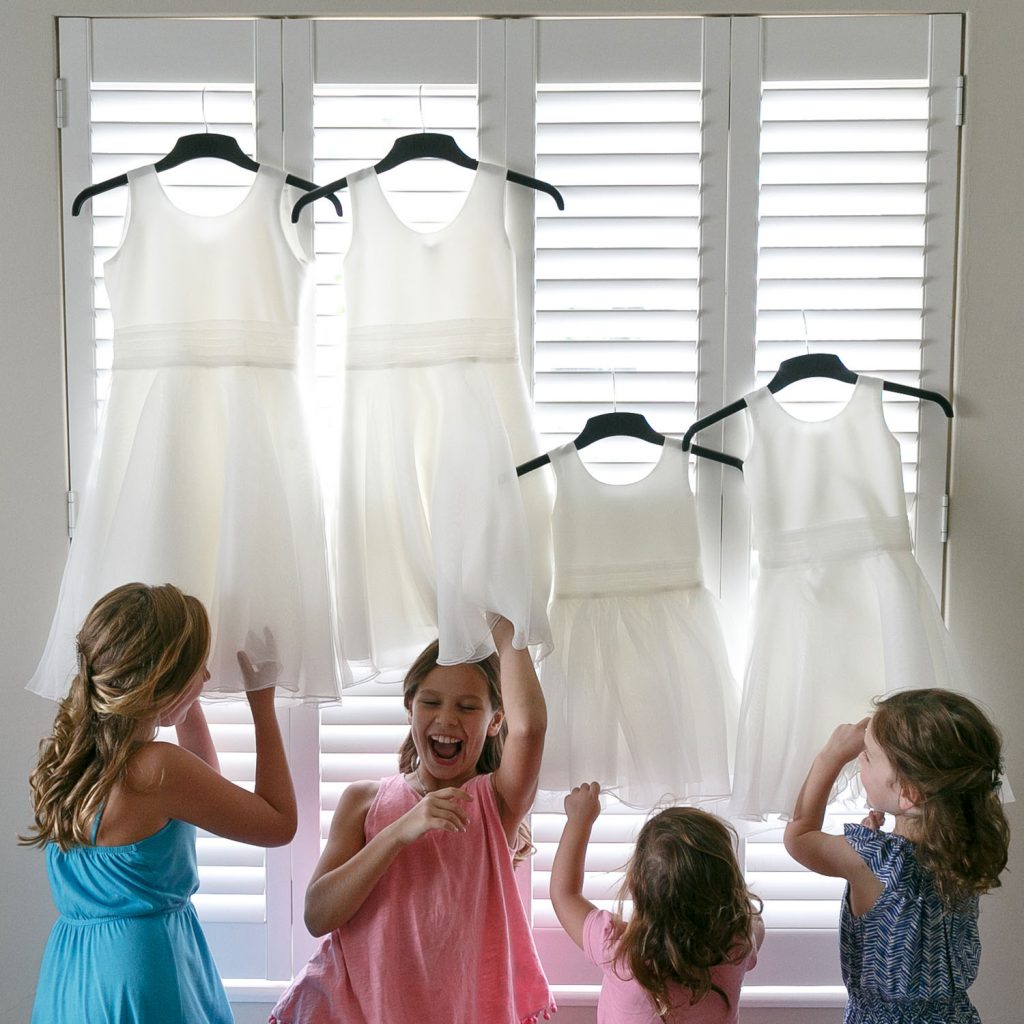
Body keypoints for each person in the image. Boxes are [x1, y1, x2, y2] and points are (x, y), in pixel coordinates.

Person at [22, 582, 297, 1024]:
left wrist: (183, 699)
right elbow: (278, 824)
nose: (206, 677)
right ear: (161, 684)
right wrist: (262, 703)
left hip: (75, 970)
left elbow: (204, 781)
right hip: (143, 969)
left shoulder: (70, 761)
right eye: (196, 668)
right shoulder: (156, 769)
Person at [271, 615, 555, 1024]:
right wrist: (400, 831)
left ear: (495, 722)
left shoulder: (496, 803)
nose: (447, 718)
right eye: (431, 702)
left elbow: (531, 729)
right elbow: (318, 916)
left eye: (468, 707)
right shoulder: (363, 801)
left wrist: (504, 627)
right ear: (410, 709)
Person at [784, 688, 1011, 1024]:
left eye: (869, 756)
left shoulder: (871, 859)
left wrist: (829, 757)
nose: (860, 757)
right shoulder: (967, 846)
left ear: (908, 793)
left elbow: (799, 836)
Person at [551, 783, 764, 1023]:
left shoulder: (621, 952)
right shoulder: (737, 944)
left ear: (636, 887)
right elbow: (753, 920)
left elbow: (564, 894)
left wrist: (579, 820)